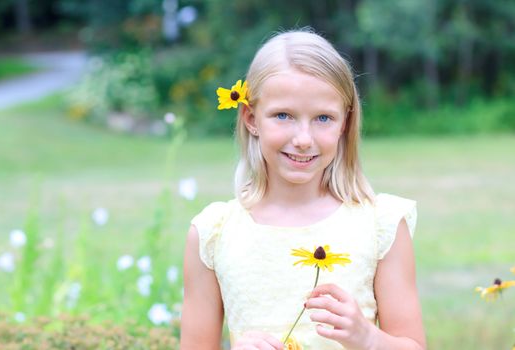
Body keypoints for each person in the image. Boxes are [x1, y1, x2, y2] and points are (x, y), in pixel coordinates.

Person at [181, 29, 426, 350]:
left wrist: (367, 338)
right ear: (251, 118)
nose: (303, 138)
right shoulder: (214, 233)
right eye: (283, 115)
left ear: (345, 124)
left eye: (323, 118)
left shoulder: (381, 225)